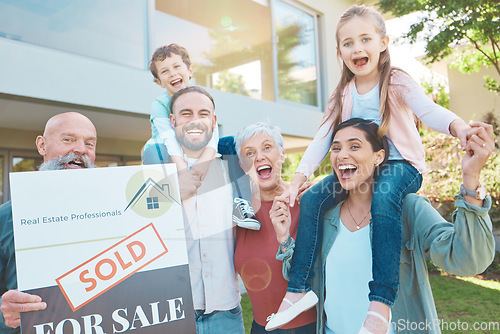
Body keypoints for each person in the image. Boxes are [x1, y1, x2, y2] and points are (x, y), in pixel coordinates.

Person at [269, 5, 472, 331]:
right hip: (359, 168)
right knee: (311, 199)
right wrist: (296, 181)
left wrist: (458, 128)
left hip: (400, 166)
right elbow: (322, 138)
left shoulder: (396, 81)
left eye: (365, 39)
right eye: (348, 43)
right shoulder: (342, 93)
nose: (357, 48)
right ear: (339, 51)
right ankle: (297, 290)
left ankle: (380, 303)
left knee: (384, 197)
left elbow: (429, 110)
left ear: (383, 42)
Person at [271, 118, 495, 334]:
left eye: (355, 146)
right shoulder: (325, 214)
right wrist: (284, 240)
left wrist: (471, 178)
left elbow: (467, 260)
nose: (342, 155)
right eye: (336, 148)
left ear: (379, 156)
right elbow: (305, 278)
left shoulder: (409, 209)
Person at [142, 44, 260, 230]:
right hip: (167, 147)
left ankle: (241, 204)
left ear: (190, 70)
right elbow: (169, 139)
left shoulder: (201, 97)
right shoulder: (159, 104)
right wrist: (183, 169)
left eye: (176, 67)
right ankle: (157, 205)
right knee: (150, 152)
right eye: (164, 71)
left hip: (198, 144)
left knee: (230, 143)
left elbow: (213, 133)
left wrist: (203, 161)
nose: (172, 73)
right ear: (159, 82)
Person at [0, 112, 97, 333]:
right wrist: (3, 312)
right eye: (68, 139)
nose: (81, 149)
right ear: (42, 145)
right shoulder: (5, 218)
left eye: (89, 143)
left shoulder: (118, 215)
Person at [170, 86, 245, 334]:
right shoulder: (153, 171)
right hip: (174, 313)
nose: (195, 121)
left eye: (203, 114)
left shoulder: (233, 169)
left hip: (227, 313)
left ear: (213, 121)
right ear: (173, 121)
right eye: (186, 113)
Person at [233, 122, 317, 334]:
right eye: (249, 152)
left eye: (267, 147)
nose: (259, 157)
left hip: (309, 327)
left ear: (282, 154)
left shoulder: (308, 201)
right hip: (261, 329)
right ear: (243, 166)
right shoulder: (240, 215)